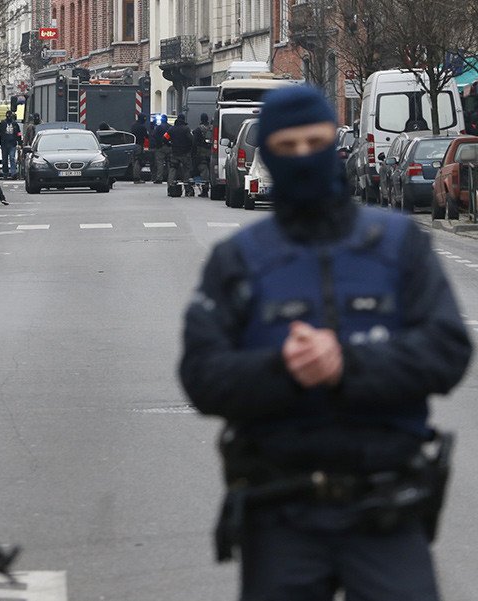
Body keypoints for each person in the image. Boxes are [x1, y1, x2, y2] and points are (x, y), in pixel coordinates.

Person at [180, 85, 472, 601]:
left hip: (385, 504)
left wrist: (347, 366)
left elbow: (447, 349)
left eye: (314, 143)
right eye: (286, 147)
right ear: (268, 154)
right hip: (281, 510)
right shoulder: (240, 259)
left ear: (334, 145)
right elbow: (202, 374)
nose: (302, 157)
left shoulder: (397, 244)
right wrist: (283, 369)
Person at [163, 113, 194, 196]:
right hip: (185, 153)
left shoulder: (171, 129)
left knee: (172, 170)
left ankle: (170, 188)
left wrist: (170, 144)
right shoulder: (186, 129)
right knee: (186, 170)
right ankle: (187, 189)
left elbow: (164, 138)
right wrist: (189, 148)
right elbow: (192, 140)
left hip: (174, 153)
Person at [0, 110, 22, 179]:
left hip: (12, 144)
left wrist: (19, 143)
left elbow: (19, 133)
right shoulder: (2, 123)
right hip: (4, 144)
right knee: (4, 159)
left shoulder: (15, 124)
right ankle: (5, 173)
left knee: (12, 158)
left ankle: (13, 173)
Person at [192, 112, 213, 197]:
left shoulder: (198, 130)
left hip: (201, 154)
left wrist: (193, 154)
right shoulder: (211, 128)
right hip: (211, 153)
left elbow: (194, 143)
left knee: (204, 173)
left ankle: (205, 190)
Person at [150, 115, 170, 184]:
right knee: (170, 163)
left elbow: (154, 135)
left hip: (160, 147)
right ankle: (170, 178)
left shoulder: (158, 127)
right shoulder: (170, 127)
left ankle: (159, 178)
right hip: (169, 147)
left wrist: (159, 142)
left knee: (160, 163)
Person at [130, 114, 148, 184]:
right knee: (138, 161)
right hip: (139, 145)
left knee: (134, 161)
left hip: (133, 144)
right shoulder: (142, 127)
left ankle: (135, 176)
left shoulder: (133, 125)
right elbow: (146, 136)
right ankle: (137, 178)